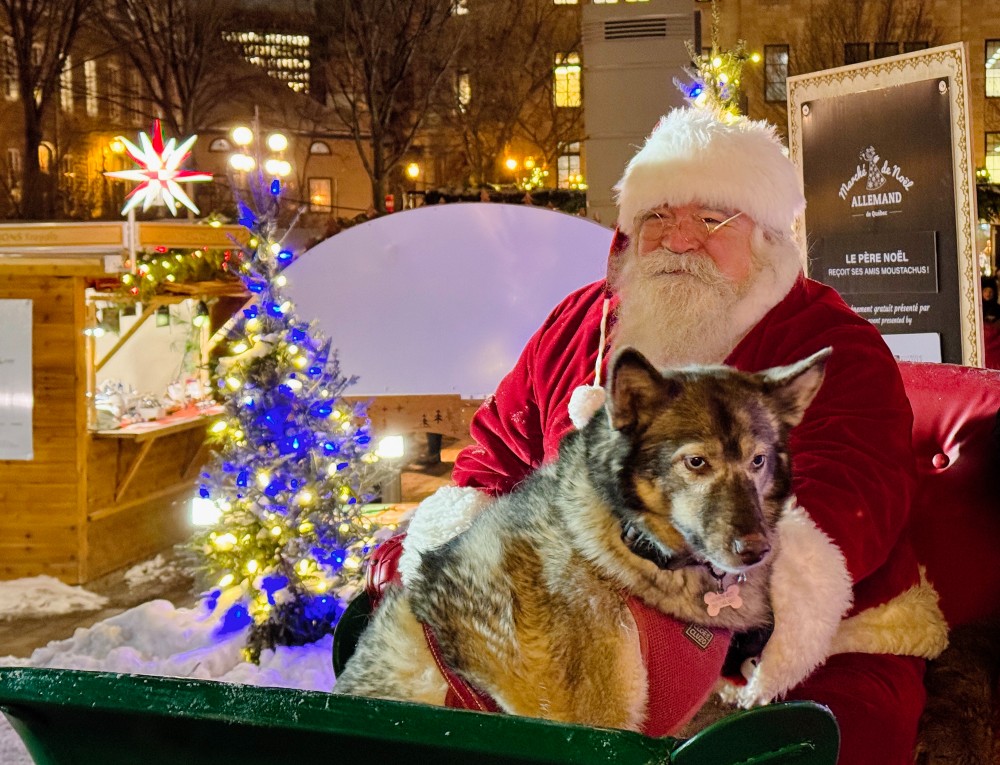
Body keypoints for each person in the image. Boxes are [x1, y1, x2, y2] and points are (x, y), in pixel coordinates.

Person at [417, 108, 945, 764]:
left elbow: (850, 492)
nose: (679, 238)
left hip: (804, 635)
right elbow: (494, 452)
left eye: (712, 217)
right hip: (568, 623)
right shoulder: (581, 324)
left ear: (764, 238)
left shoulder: (829, 343)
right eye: (657, 216)